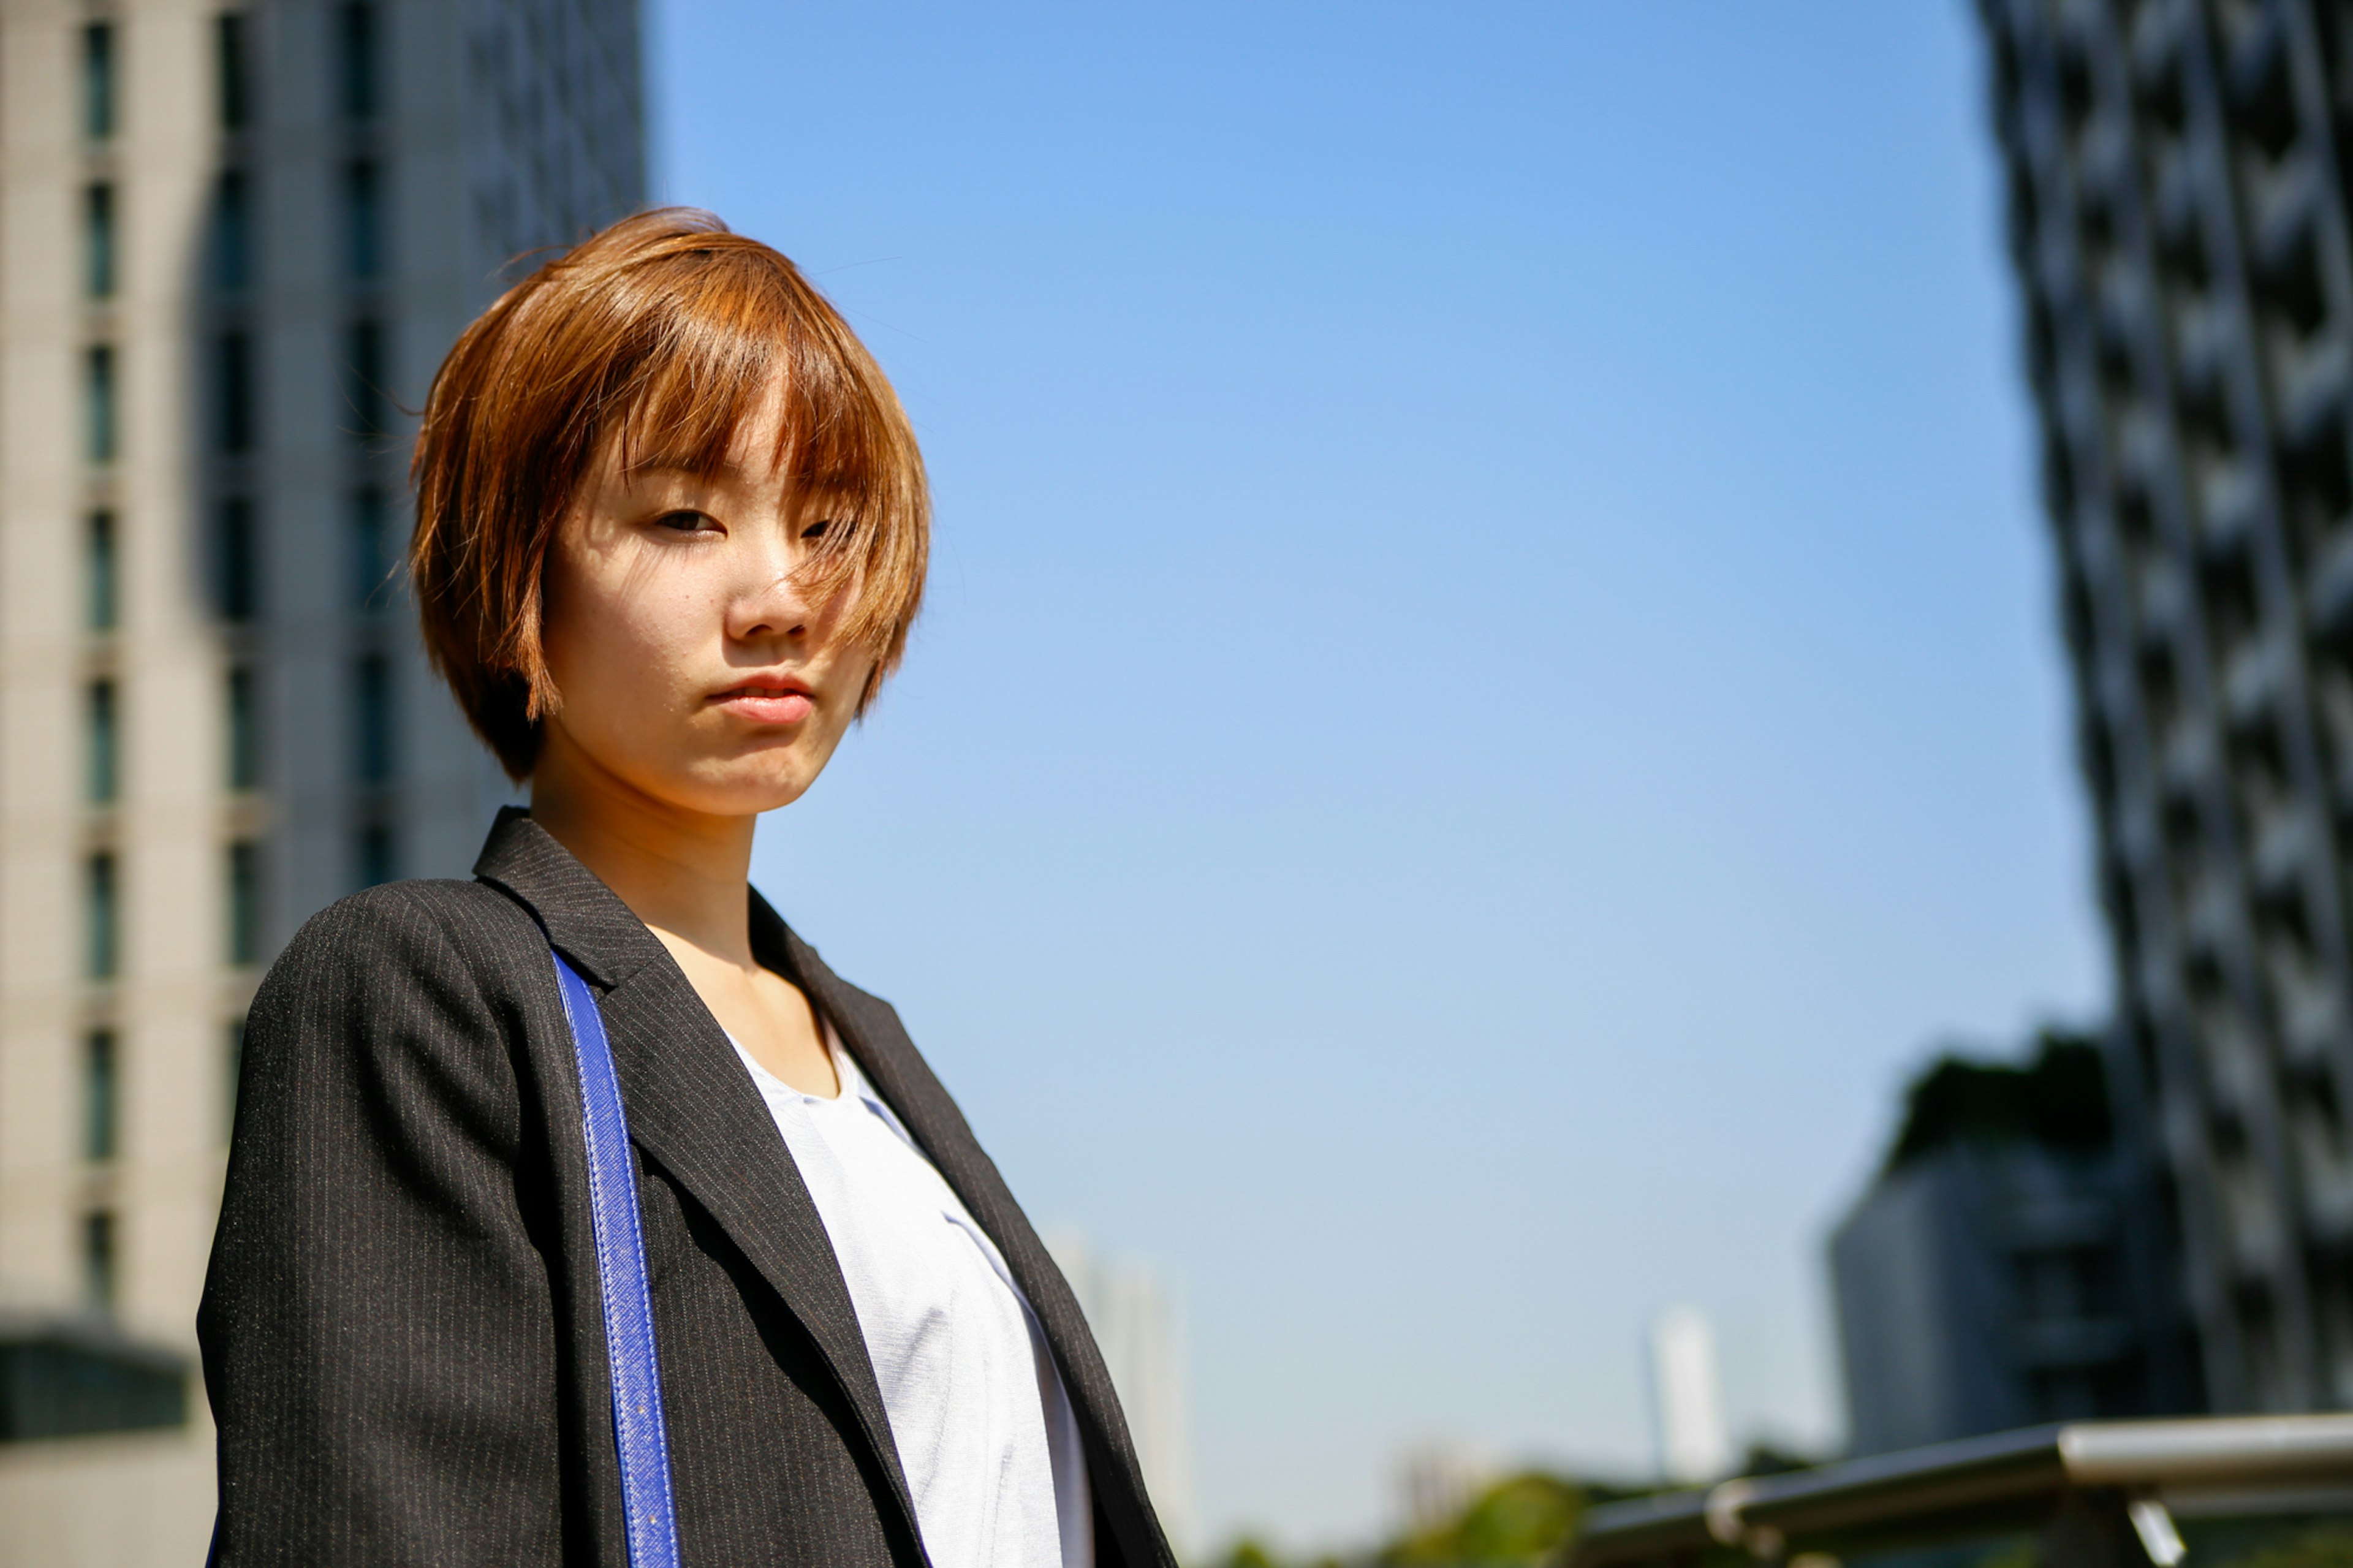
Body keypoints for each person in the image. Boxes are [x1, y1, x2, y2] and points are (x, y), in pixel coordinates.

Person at [198, 209, 1173, 1568]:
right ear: (518, 566)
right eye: (683, 517)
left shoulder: (870, 1043)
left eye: (829, 522)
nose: (780, 595)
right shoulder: (427, 992)